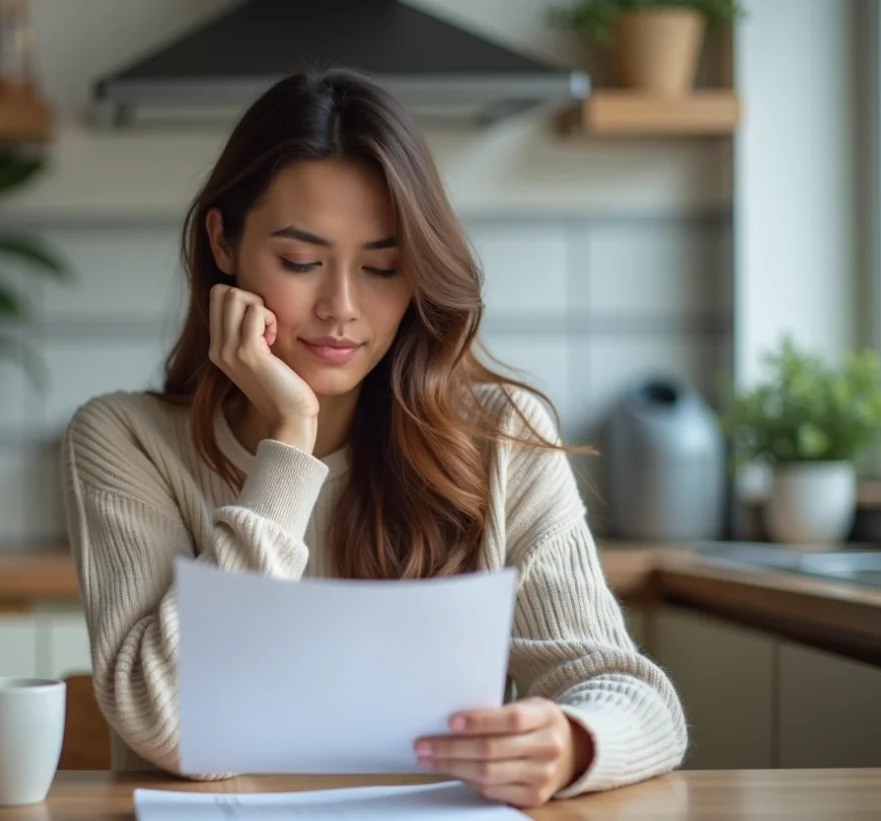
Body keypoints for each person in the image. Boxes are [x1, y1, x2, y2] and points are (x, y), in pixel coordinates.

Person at [61, 68, 687, 809]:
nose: (342, 309)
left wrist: (572, 740)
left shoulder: (500, 435)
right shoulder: (123, 438)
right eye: (301, 262)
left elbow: (637, 699)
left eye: (383, 267)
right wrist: (290, 446)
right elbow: (170, 726)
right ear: (223, 242)